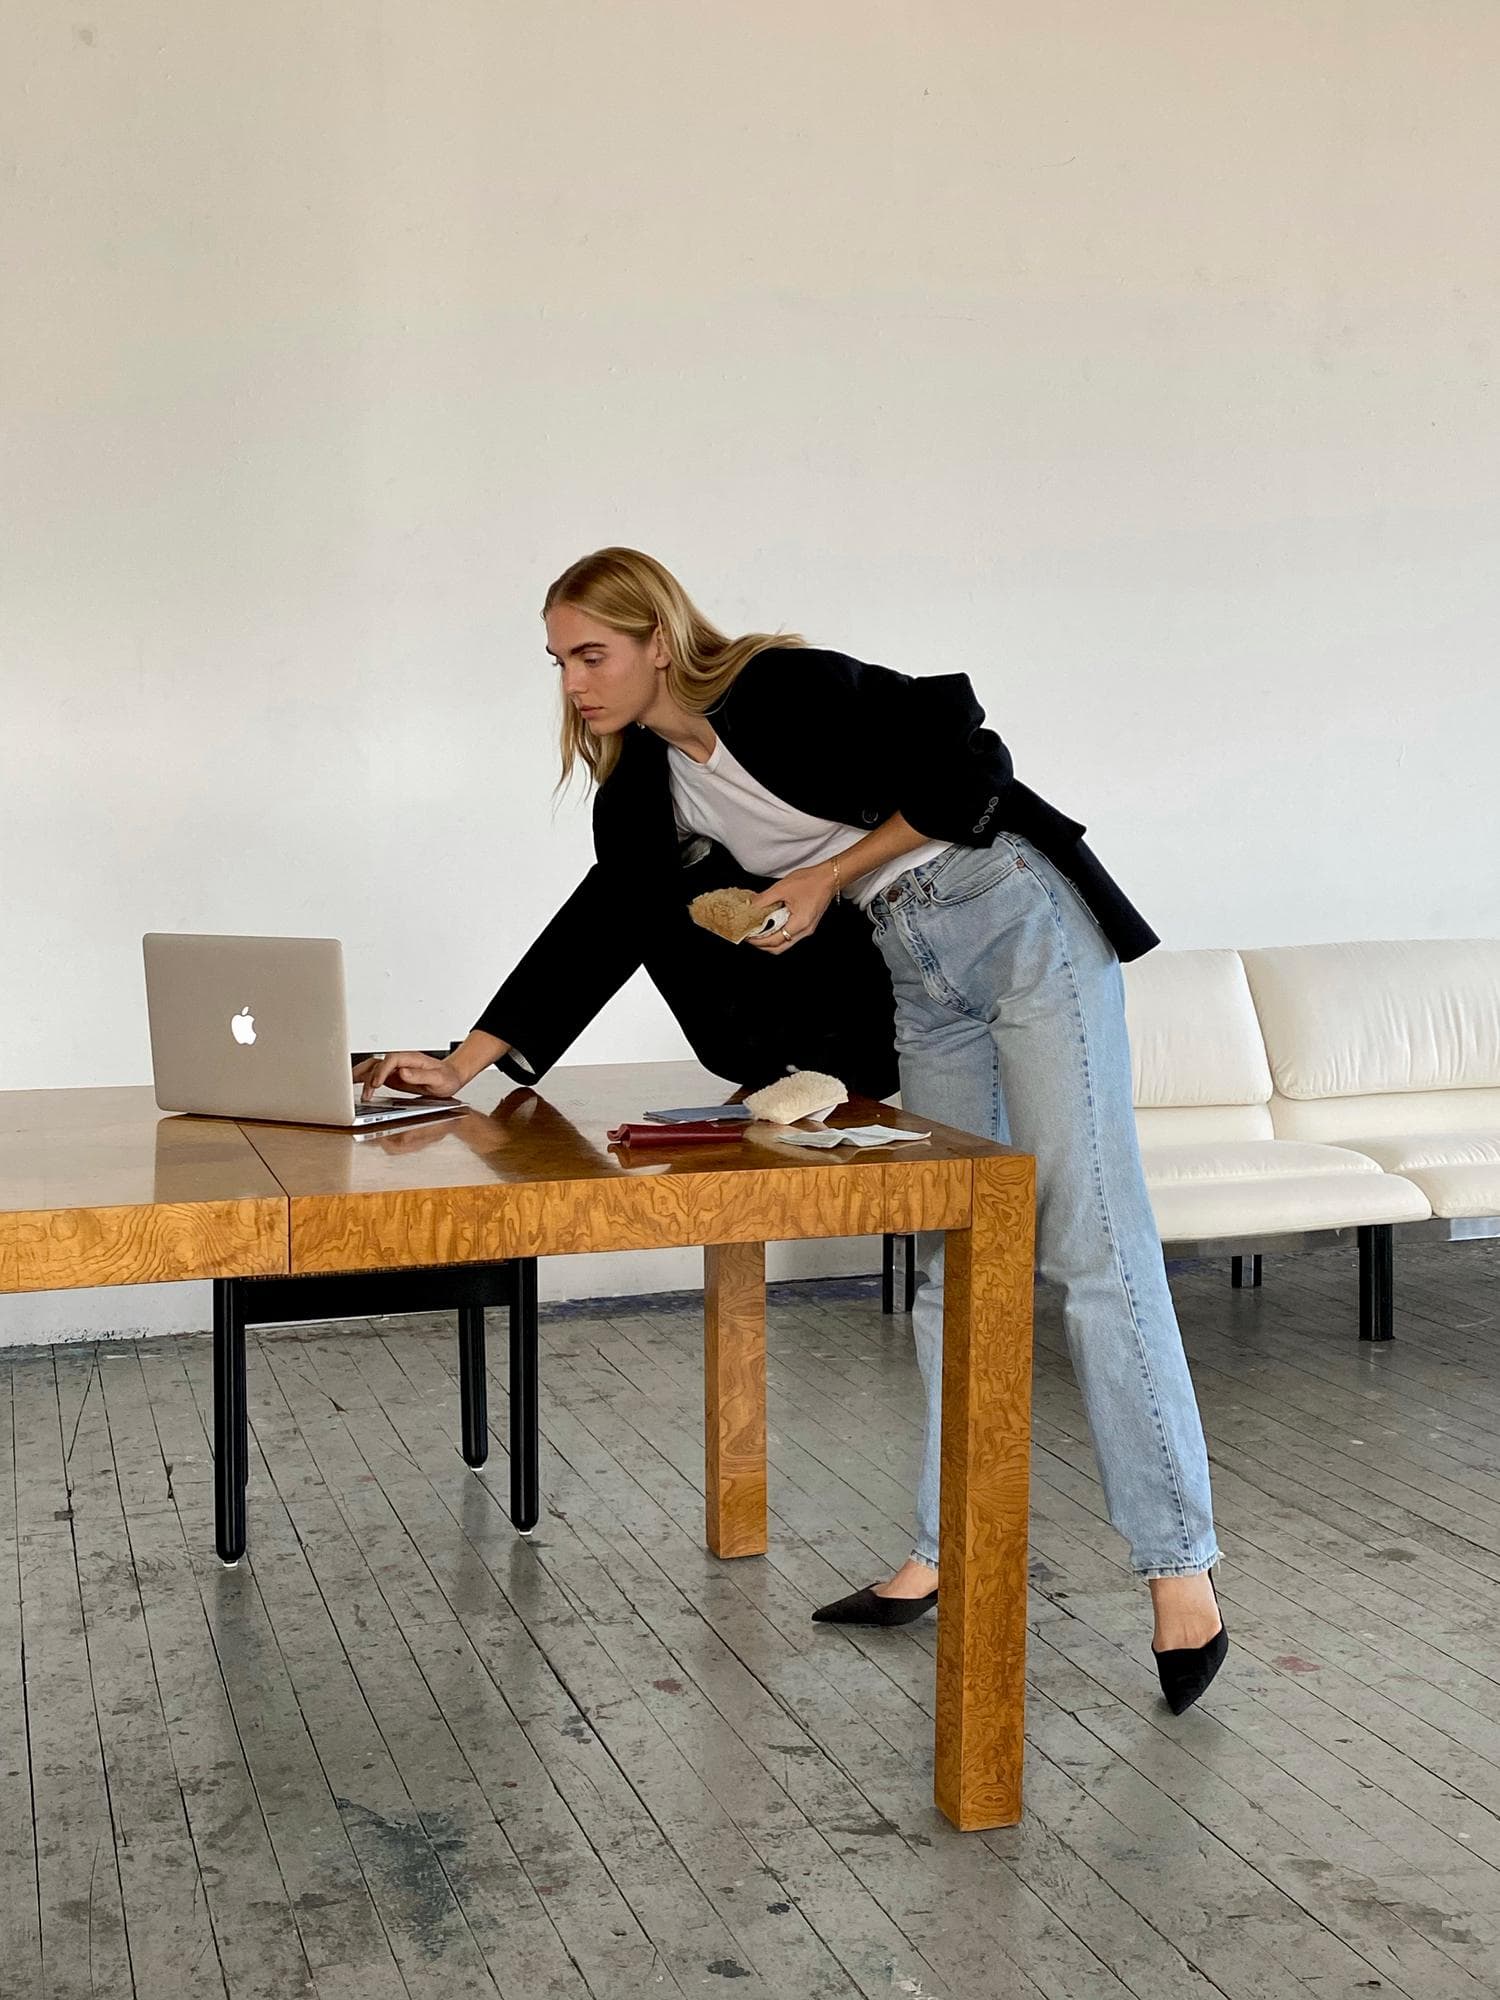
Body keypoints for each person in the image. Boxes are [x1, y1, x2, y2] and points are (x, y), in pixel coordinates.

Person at [357, 546, 1227, 1714]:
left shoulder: (783, 687)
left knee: (1092, 1244)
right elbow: (598, 927)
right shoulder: (645, 793)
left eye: (591, 654)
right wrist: (463, 1062)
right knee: (949, 1259)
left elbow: (972, 757)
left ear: (657, 638)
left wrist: (831, 874)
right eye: (558, 661)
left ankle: (1181, 1570)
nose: (572, 682)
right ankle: (945, 1546)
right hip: (918, 976)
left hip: (1014, 917)